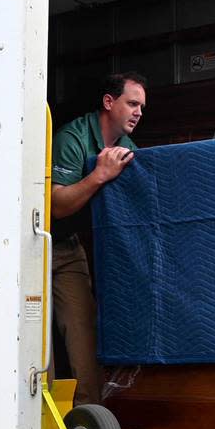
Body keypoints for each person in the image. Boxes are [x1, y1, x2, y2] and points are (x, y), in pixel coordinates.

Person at [50, 72, 146, 406]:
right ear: (109, 102)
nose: (138, 112)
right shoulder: (72, 138)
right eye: (132, 103)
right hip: (33, 247)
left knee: (84, 338)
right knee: (34, 344)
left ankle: (88, 424)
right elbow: (57, 205)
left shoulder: (128, 148)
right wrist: (99, 175)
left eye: (141, 107)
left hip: (69, 248)